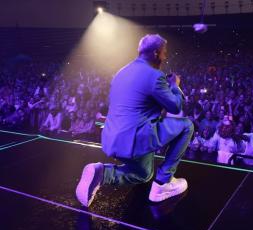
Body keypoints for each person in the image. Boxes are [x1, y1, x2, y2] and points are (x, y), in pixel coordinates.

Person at [76, 34, 194, 207]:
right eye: (164, 53)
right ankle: (163, 182)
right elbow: (175, 107)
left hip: (112, 138)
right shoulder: (155, 76)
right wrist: (175, 86)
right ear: (156, 53)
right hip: (136, 137)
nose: (165, 57)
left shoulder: (120, 73)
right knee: (187, 126)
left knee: (143, 174)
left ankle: (102, 173)